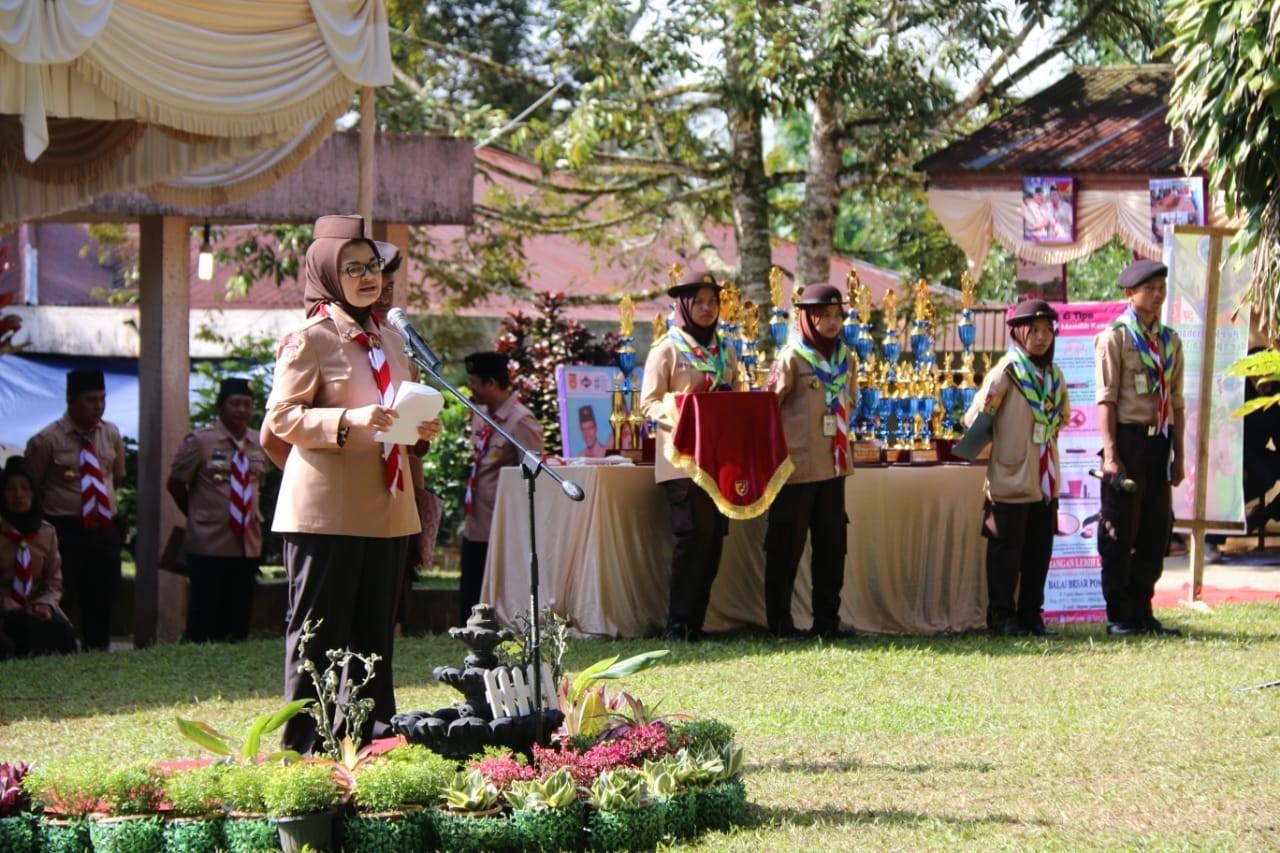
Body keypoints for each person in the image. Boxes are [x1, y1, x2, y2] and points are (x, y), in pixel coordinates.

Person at [264, 214, 443, 754]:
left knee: (374, 642)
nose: (368, 278)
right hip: (326, 511)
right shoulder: (309, 340)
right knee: (317, 638)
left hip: (387, 509)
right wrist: (347, 422)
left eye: (373, 267)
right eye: (353, 268)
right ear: (325, 274)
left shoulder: (392, 338)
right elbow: (281, 419)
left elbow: (395, 415)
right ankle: (303, 753)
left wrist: (418, 431)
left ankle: (369, 744)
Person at [639, 270, 740, 642]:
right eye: (699, 302)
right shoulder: (667, 349)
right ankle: (677, 623)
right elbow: (647, 403)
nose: (707, 308)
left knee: (714, 541)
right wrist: (684, 413)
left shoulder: (725, 350)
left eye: (713, 302)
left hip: (720, 461)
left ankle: (696, 622)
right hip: (682, 459)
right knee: (693, 538)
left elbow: (738, 397)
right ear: (683, 305)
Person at [964, 300, 1070, 637]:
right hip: (1011, 477)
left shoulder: (1053, 374)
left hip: (1043, 478)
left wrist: (1044, 426)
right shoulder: (1006, 373)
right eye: (1034, 331)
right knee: (1006, 553)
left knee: (1038, 552)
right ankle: (1002, 616)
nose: (1042, 338)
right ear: (1018, 334)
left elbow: (1064, 414)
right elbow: (976, 419)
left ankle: (1031, 615)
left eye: (1047, 330)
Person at [1094, 259, 1186, 636]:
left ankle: (1143, 610)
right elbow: (1106, 400)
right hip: (1127, 442)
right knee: (1120, 529)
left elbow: (1177, 402)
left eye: (1162, 287)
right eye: (1150, 288)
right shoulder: (1115, 337)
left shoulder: (1170, 341)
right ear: (1129, 293)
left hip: (1158, 442)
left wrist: (1178, 452)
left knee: (1154, 528)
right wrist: (1111, 454)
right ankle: (1119, 615)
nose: (1158, 294)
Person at [763, 283, 856, 639]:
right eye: (824, 316)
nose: (832, 323)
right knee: (786, 548)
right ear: (807, 318)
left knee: (832, 548)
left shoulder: (847, 359)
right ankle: (780, 623)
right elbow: (770, 410)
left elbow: (853, 400)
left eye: (837, 316)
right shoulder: (792, 358)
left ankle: (827, 622)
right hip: (796, 470)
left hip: (834, 466)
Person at [24, 368, 126, 651]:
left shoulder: (111, 433)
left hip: (104, 527)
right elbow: (32, 485)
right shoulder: (47, 439)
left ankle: (98, 650)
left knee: (103, 594)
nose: (98, 406)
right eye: (90, 399)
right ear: (71, 400)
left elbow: (116, 477)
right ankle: (60, 649)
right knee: (64, 593)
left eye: (102, 399)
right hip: (65, 529)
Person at [166, 377, 267, 643]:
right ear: (220, 407)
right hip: (209, 540)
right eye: (235, 403)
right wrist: (197, 514)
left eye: (247, 404)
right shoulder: (200, 441)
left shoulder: (259, 443)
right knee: (205, 611)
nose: (242, 410)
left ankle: (235, 649)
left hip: (247, 540)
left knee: (239, 611)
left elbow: (259, 485)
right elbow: (176, 483)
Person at [459, 351, 545, 624]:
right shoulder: (482, 414)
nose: (469, 387)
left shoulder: (521, 420)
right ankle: (467, 625)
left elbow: (533, 476)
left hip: (500, 523)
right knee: (470, 580)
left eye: (474, 381)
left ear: (491, 384)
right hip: (476, 517)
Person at [0, 457, 78, 658]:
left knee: (61, 633)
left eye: (25, 488)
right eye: (11, 489)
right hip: (5, 609)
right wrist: (9, 604)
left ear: (35, 493)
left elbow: (54, 582)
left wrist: (45, 604)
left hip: (36, 609)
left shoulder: (46, 533)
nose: (18, 495)